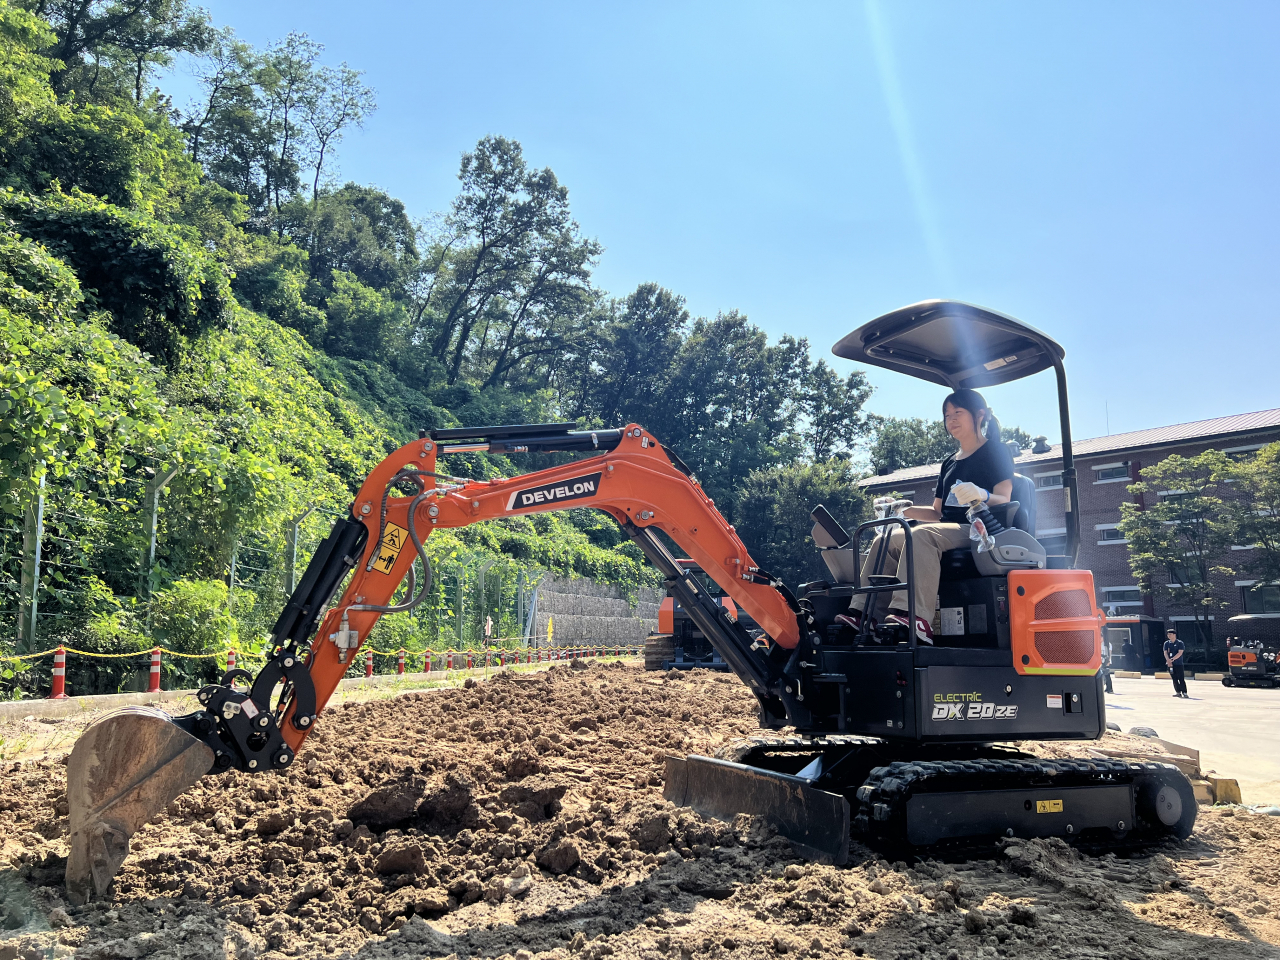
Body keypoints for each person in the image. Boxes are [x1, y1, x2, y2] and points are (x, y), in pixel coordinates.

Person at [839, 389, 1014, 645]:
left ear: (979, 415)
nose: (951, 420)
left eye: (958, 413)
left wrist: (982, 494)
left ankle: (914, 616)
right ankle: (865, 614)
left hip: (978, 530)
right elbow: (936, 512)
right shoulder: (949, 463)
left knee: (920, 535)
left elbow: (1005, 498)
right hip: (947, 529)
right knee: (886, 539)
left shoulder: (995, 452)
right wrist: (901, 509)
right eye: (947, 415)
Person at [1163, 627, 1188, 698]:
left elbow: (1180, 653)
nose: (1169, 636)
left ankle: (1184, 692)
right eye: (1168, 635)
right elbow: (1165, 653)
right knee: (1174, 678)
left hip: (1178, 664)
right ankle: (1178, 692)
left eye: (1170, 634)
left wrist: (1172, 659)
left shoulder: (1180, 643)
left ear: (1174, 635)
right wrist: (1168, 660)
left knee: (1181, 678)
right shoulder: (1166, 643)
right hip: (1170, 664)